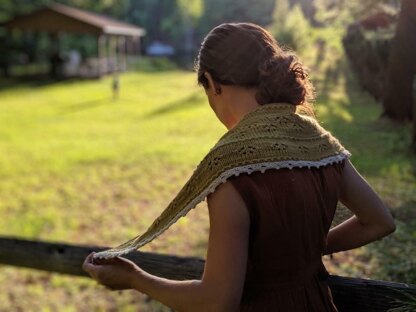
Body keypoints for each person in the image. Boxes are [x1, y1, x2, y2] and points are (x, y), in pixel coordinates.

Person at [83, 23, 395, 311]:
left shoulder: (231, 169)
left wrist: (136, 279)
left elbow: (218, 302)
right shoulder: (318, 141)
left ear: (211, 83)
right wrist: (305, 250)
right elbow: (379, 221)